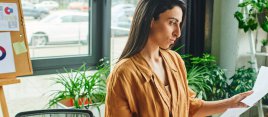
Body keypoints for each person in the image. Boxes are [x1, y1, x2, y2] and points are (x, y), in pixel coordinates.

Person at [105, 0, 253, 116]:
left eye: (179, 24)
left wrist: (230, 103)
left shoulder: (174, 60)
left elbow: (189, 107)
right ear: (150, 20)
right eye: (172, 23)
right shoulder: (124, 73)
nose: (178, 33)